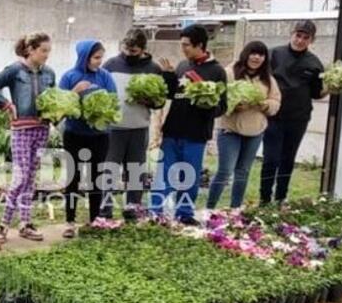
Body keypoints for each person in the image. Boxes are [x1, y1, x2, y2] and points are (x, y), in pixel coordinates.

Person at [148, 24, 227, 225]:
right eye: (182, 44)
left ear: (200, 45)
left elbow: (222, 106)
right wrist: (168, 75)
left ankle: (184, 213)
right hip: (173, 130)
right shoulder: (183, 66)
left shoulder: (217, 71)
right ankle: (154, 212)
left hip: (196, 134)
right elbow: (173, 94)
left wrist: (206, 103)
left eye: (186, 45)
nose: (183, 49)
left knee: (189, 177)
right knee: (164, 174)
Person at [0, 32, 55, 242]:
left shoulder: (49, 73)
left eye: (48, 51)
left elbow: (53, 98)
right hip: (21, 130)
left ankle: (25, 224)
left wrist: (56, 114)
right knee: (20, 177)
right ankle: (3, 226)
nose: (46, 55)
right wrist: (7, 105)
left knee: (31, 178)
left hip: (41, 129)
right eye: (43, 51)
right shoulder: (15, 70)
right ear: (30, 50)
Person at [101, 29, 174, 220]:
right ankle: (104, 212)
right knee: (108, 171)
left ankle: (132, 211)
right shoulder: (110, 65)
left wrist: (149, 101)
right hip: (113, 129)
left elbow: (160, 102)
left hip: (139, 128)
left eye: (133, 51)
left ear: (143, 49)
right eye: (126, 48)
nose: (128, 53)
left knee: (135, 173)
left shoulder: (153, 69)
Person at [207, 41, 281, 210]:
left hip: (255, 131)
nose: (256, 57)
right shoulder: (230, 72)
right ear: (245, 54)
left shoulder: (268, 79)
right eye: (253, 53)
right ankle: (210, 208)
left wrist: (265, 105)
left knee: (243, 172)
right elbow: (218, 97)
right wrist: (232, 106)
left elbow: (276, 101)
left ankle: (235, 209)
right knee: (225, 171)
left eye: (261, 54)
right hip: (230, 130)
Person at [260, 20, 327, 205]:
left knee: (288, 159)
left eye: (306, 37)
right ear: (292, 33)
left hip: (298, 118)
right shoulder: (274, 54)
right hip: (274, 116)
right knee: (270, 158)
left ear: (311, 40)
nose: (300, 40)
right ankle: (264, 199)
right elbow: (261, 81)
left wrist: (331, 88)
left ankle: (281, 198)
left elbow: (316, 93)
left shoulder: (314, 63)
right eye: (298, 35)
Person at [59, 40, 117, 238]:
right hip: (74, 134)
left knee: (95, 179)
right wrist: (76, 92)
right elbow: (61, 104)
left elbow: (113, 101)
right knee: (73, 178)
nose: (99, 62)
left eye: (101, 57)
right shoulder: (69, 76)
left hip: (99, 136)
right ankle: (70, 221)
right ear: (84, 57)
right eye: (96, 57)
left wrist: (101, 113)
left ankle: (94, 220)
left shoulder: (105, 77)